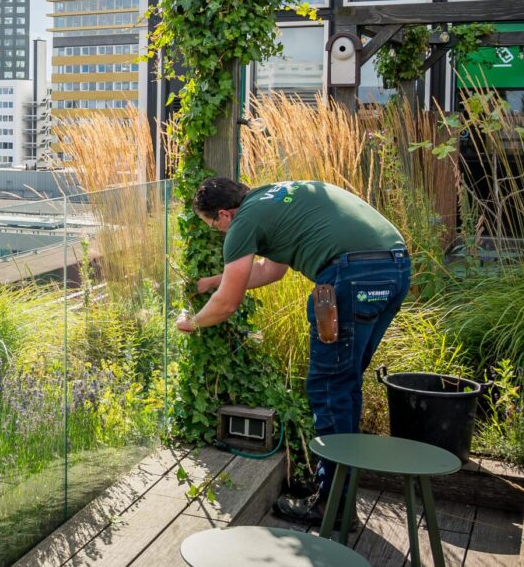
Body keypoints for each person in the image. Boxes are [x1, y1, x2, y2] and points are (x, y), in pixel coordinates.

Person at [176, 177, 411, 526]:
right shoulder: (273, 196)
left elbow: (227, 304)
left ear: (224, 214)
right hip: (395, 268)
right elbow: (271, 270)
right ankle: (341, 497)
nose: (219, 233)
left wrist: (192, 323)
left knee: (330, 388)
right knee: (345, 385)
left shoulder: (243, 222)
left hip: (352, 276)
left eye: (213, 226)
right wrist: (214, 281)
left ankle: (329, 508)